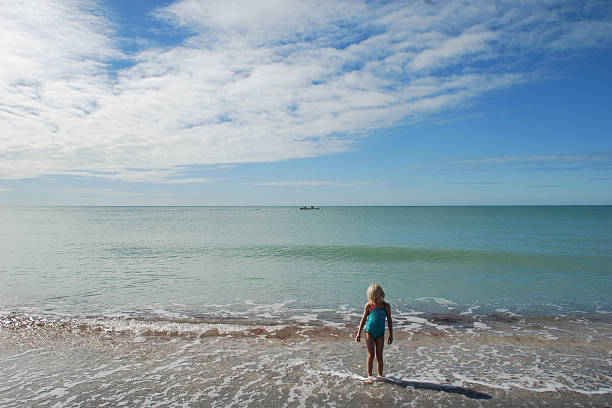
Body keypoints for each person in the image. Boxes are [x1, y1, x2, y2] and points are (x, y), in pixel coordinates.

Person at [355, 283, 393, 380]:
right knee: (371, 354)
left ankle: (380, 375)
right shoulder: (369, 306)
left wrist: (391, 335)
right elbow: (363, 320)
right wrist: (358, 333)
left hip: (380, 333)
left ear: (382, 296)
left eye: (376, 298)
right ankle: (370, 376)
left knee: (379, 355)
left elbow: (389, 320)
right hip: (370, 332)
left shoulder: (386, 306)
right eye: (372, 298)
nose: (374, 300)